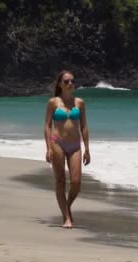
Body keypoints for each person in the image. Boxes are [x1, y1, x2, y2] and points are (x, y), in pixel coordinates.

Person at [44, 70, 90, 228]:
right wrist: (49, 147)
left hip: (75, 145)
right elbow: (47, 126)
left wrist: (87, 149)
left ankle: (67, 206)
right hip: (57, 142)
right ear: (60, 84)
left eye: (72, 81)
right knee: (61, 181)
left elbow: (83, 126)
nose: (70, 84)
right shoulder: (53, 102)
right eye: (66, 81)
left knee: (76, 183)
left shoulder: (80, 103)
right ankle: (66, 218)